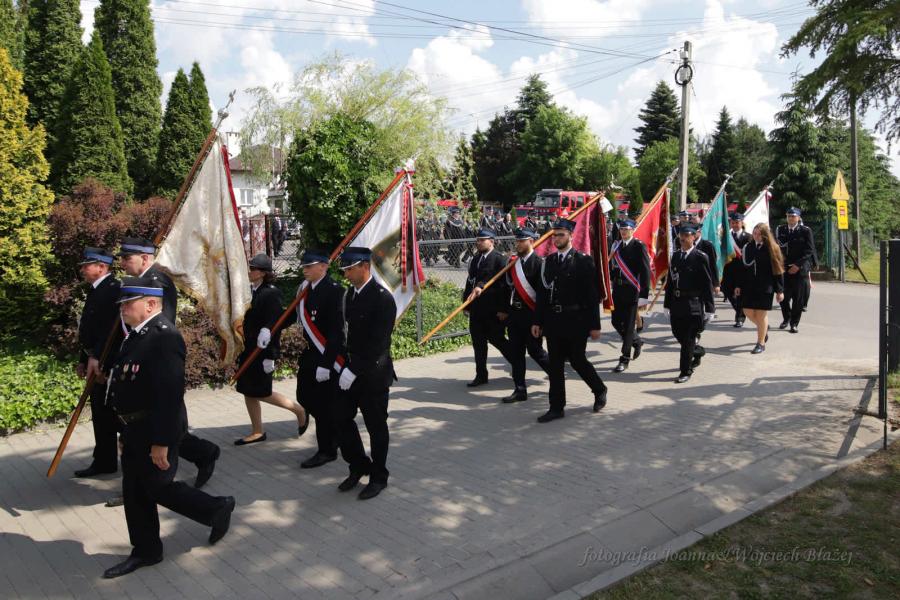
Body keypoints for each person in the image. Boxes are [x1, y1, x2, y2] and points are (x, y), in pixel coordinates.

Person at [102, 277, 235, 579]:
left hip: (153, 428)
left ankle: (216, 508)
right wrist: (122, 430)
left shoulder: (164, 338)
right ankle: (147, 550)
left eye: (128, 303)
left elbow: (169, 395)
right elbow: (124, 385)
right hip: (134, 428)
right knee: (136, 491)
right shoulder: (137, 335)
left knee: (157, 486)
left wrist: (161, 442)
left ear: (150, 304)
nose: (122, 308)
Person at [118, 237, 220, 488]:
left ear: (144, 258)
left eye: (127, 258)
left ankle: (165, 480)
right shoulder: (141, 283)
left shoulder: (158, 282)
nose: (122, 263)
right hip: (138, 361)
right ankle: (200, 455)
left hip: (153, 361)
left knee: (165, 423)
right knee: (162, 425)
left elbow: (158, 325)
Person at [334, 247, 397, 500]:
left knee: (376, 427)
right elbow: (347, 333)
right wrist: (340, 363)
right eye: (345, 270)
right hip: (351, 369)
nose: (346, 274)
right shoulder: (350, 295)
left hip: (373, 373)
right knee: (339, 418)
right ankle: (359, 464)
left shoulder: (383, 298)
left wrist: (354, 368)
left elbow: (379, 342)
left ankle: (379, 476)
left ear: (365, 266)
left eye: (350, 269)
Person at [531, 218, 608, 422]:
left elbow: (591, 296)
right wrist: (537, 321)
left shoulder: (583, 261)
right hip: (553, 321)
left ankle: (599, 389)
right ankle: (556, 407)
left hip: (576, 321)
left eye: (561, 235)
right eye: (554, 235)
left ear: (571, 236)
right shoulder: (548, 261)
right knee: (555, 365)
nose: (557, 238)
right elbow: (542, 295)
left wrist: (595, 325)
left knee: (577, 360)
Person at [234, 254, 308, 445]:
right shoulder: (251, 291)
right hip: (249, 348)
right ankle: (257, 431)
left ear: (262, 273)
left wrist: (270, 355)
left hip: (263, 351)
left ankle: (299, 410)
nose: (249, 271)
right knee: (247, 390)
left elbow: (275, 325)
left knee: (262, 392)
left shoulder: (271, 293)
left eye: (253, 268)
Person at [73, 247, 121, 478]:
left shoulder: (113, 290)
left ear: (102, 267)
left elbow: (111, 332)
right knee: (102, 416)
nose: (83, 269)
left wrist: (99, 359)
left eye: (87, 265)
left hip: (107, 363)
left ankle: (196, 451)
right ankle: (105, 461)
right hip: (95, 360)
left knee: (117, 416)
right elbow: (89, 331)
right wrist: (84, 359)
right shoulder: (96, 289)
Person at [294, 249, 345, 469]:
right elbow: (293, 315)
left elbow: (336, 332)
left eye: (309, 266)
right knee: (304, 396)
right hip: (309, 354)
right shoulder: (304, 289)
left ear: (323, 266)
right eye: (304, 267)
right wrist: (270, 328)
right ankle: (333, 433)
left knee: (323, 404)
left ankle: (327, 450)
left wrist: (326, 364)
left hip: (326, 356)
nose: (305, 270)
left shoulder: (334, 291)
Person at [500, 227, 551, 403]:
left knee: (536, 352)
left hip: (531, 315)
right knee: (516, 354)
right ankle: (520, 390)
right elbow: (508, 287)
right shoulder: (514, 263)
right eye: (517, 241)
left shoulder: (539, 263)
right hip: (515, 315)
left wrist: (539, 321)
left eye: (522, 241)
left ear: (531, 242)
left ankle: (556, 375)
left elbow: (542, 296)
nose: (518, 244)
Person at [664, 225, 716, 383]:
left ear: (694, 237)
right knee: (677, 333)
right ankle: (697, 351)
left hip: (693, 304)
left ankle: (685, 371)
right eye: (681, 235)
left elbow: (707, 284)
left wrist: (710, 308)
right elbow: (670, 282)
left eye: (686, 235)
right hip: (677, 303)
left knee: (687, 339)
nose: (683, 238)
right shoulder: (675, 256)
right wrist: (666, 304)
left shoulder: (700, 257)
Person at [463, 228, 514, 388]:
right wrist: (466, 304)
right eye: (477, 240)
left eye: (482, 240)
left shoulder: (500, 259)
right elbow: (470, 281)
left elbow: (506, 287)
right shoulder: (475, 259)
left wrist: (504, 309)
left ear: (491, 241)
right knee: (478, 343)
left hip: (494, 310)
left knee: (498, 340)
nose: (478, 243)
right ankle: (481, 375)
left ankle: (518, 364)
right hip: (477, 309)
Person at [609, 220, 651, 373]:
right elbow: (613, 268)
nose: (623, 232)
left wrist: (644, 296)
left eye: (626, 229)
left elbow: (645, 271)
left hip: (632, 290)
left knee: (628, 326)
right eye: (621, 229)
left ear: (633, 230)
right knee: (615, 321)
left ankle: (624, 358)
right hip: (617, 289)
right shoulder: (616, 246)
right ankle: (636, 341)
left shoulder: (639, 246)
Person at [735, 224, 785, 354]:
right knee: (747, 311)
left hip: (765, 286)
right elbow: (742, 268)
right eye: (754, 233)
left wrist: (780, 291)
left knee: (761, 315)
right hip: (749, 286)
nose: (756, 236)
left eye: (759, 234)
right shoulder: (748, 247)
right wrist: (738, 285)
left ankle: (760, 343)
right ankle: (763, 328)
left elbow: (778, 270)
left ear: (765, 235)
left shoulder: (772, 248)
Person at [776, 207, 815, 333]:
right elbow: (778, 248)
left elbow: (809, 250)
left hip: (800, 268)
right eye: (789, 216)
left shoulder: (805, 231)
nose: (791, 218)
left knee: (798, 299)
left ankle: (794, 323)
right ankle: (786, 318)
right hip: (785, 268)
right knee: (783, 297)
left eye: (793, 216)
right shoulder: (780, 229)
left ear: (798, 218)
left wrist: (797, 265)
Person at [721, 213, 751, 327]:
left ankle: (740, 318)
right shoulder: (726, 237)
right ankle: (741, 310)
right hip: (728, 269)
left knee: (740, 295)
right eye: (732, 222)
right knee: (727, 291)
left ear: (742, 223)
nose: (734, 225)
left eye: (737, 222)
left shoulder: (748, 237)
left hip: (742, 270)